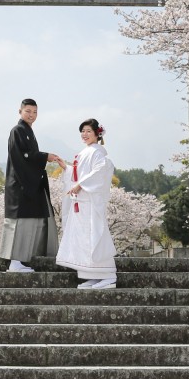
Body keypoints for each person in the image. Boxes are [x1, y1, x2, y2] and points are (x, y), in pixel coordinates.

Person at [0, 99, 65, 272]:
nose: (31, 115)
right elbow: (22, 157)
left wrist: (43, 157)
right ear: (20, 111)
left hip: (28, 183)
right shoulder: (17, 131)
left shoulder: (28, 131)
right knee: (18, 223)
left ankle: (20, 260)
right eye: (28, 111)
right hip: (20, 183)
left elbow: (30, 155)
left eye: (35, 112)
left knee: (28, 222)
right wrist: (44, 157)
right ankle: (14, 262)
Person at [56, 118, 117, 289]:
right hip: (81, 203)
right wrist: (66, 168)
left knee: (95, 236)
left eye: (88, 131)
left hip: (90, 202)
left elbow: (100, 172)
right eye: (82, 131)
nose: (84, 134)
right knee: (84, 239)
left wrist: (80, 185)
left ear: (97, 133)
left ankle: (108, 275)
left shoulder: (97, 153)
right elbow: (78, 173)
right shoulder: (86, 152)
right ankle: (92, 274)